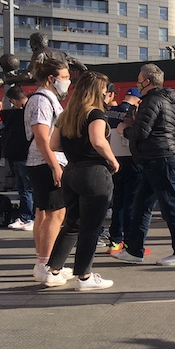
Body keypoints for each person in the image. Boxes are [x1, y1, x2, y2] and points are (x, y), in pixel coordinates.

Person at [41, 71, 118, 290]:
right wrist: (113, 160)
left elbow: (54, 144)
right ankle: (84, 276)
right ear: (97, 91)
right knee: (91, 227)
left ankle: (53, 270)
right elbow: (98, 141)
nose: (106, 93)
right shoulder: (96, 114)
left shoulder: (66, 114)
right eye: (104, 89)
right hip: (93, 172)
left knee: (72, 223)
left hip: (72, 171)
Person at [111, 63, 175, 266]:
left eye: (139, 78)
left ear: (147, 81)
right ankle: (134, 250)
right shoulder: (165, 99)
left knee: (170, 205)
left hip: (159, 157)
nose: (137, 81)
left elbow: (141, 132)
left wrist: (123, 130)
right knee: (141, 205)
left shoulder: (151, 100)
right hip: (158, 157)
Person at [25, 58, 73, 283]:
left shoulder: (44, 98)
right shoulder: (42, 99)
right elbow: (42, 136)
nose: (67, 82)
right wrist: (55, 165)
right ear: (52, 78)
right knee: (55, 213)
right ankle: (46, 264)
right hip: (47, 162)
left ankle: (45, 263)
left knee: (45, 213)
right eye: (64, 78)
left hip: (44, 161)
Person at [105, 87, 143, 253]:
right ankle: (129, 242)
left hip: (114, 160)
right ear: (137, 99)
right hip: (132, 160)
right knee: (131, 203)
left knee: (118, 202)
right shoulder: (134, 113)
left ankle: (115, 240)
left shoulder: (109, 112)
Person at [2, 87, 35, 230]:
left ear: (14, 100)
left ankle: (28, 217)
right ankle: (25, 217)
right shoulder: (25, 112)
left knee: (27, 189)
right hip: (21, 154)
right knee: (23, 189)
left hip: (24, 154)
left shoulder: (24, 113)